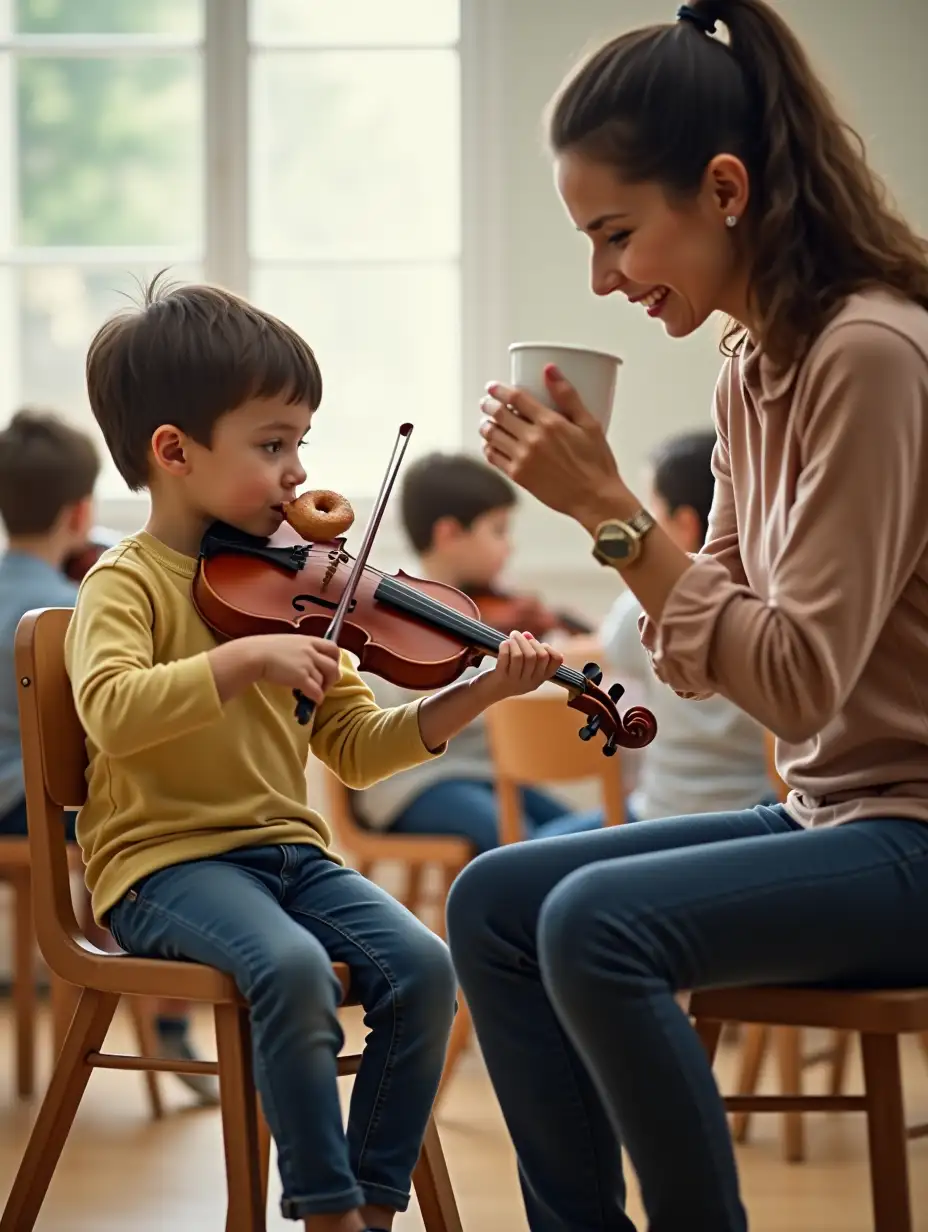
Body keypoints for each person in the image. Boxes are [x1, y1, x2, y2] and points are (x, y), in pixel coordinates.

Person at [445, 2, 928, 1229]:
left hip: (913, 831)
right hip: (835, 812)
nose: (602, 278)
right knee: (495, 901)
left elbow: (797, 680)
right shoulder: (749, 365)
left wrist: (609, 509)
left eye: (615, 233)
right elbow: (705, 662)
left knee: (597, 927)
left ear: (724, 187)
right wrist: (617, 517)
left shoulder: (867, 356)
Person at [68, 277, 564, 1232]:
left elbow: (358, 748)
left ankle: (373, 1208)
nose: (299, 473)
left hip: (291, 856)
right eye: (271, 445)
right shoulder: (122, 586)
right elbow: (115, 714)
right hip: (164, 864)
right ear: (173, 452)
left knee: (424, 971)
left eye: (302, 441)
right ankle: (325, 1212)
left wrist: (478, 692)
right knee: (291, 972)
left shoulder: (300, 588)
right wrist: (244, 658)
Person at [0, 409, 218, 1104]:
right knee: (158, 829)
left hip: (10, 810)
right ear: (81, 508)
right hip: (33, 809)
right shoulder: (74, 612)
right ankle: (171, 1021)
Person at [353, 451, 606, 852]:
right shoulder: (394, 611)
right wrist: (504, 677)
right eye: (498, 531)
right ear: (449, 534)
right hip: (419, 779)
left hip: (485, 772)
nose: (508, 548)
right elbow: (409, 702)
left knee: (595, 837)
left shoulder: (479, 610)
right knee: (523, 846)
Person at [599, 429, 771, 822]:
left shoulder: (639, 606)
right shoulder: (764, 609)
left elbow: (612, 648)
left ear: (685, 523)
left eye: (652, 514)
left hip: (657, 813)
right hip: (753, 809)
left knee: (539, 844)